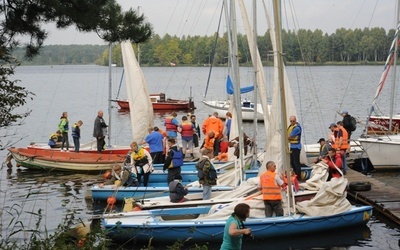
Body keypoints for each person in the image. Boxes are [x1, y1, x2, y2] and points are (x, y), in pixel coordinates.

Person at [287, 115, 302, 181]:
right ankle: (295, 176)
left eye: (293, 121)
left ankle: (298, 177)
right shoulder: (291, 126)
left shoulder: (297, 128)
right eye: (291, 121)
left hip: (296, 147)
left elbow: (290, 136)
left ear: (295, 120)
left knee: (296, 163)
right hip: (292, 146)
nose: (292, 122)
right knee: (292, 162)